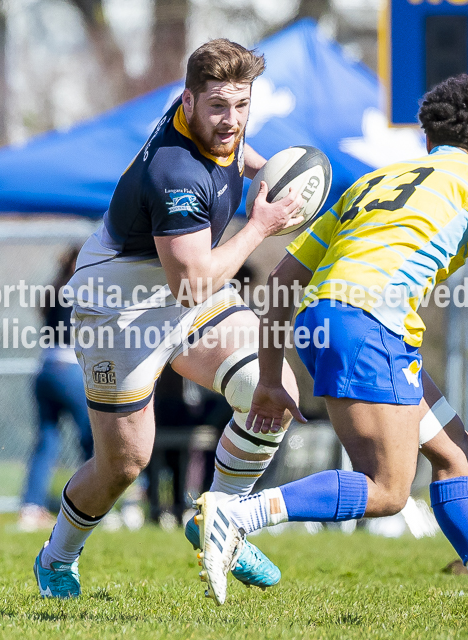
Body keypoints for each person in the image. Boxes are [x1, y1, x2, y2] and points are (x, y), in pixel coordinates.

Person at [193, 74, 468, 628]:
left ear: (428, 140)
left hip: (331, 320)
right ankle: (238, 513)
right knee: (388, 490)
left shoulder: (371, 182)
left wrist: (272, 378)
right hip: (372, 323)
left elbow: (281, 281)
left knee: (453, 451)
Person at [33, 38, 307, 598]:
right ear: (187, 101)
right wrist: (260, 224)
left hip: (184, 290)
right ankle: (56, 556)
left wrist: (268, 173)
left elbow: (236, 157)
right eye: (218, 108)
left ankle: (220, 521)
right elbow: (193, 282)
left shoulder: (215, 122)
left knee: (270, 390)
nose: (232, 121)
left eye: (242, 105)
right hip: (119, 310)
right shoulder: (174, 171)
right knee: (125, 462)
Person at [18, 247, 94, 531]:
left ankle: (30, 507)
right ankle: (94, 505)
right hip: (68, 370)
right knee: (94, 439)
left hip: (45, 370)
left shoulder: (55, 288)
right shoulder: (78, 290)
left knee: (47, 442)